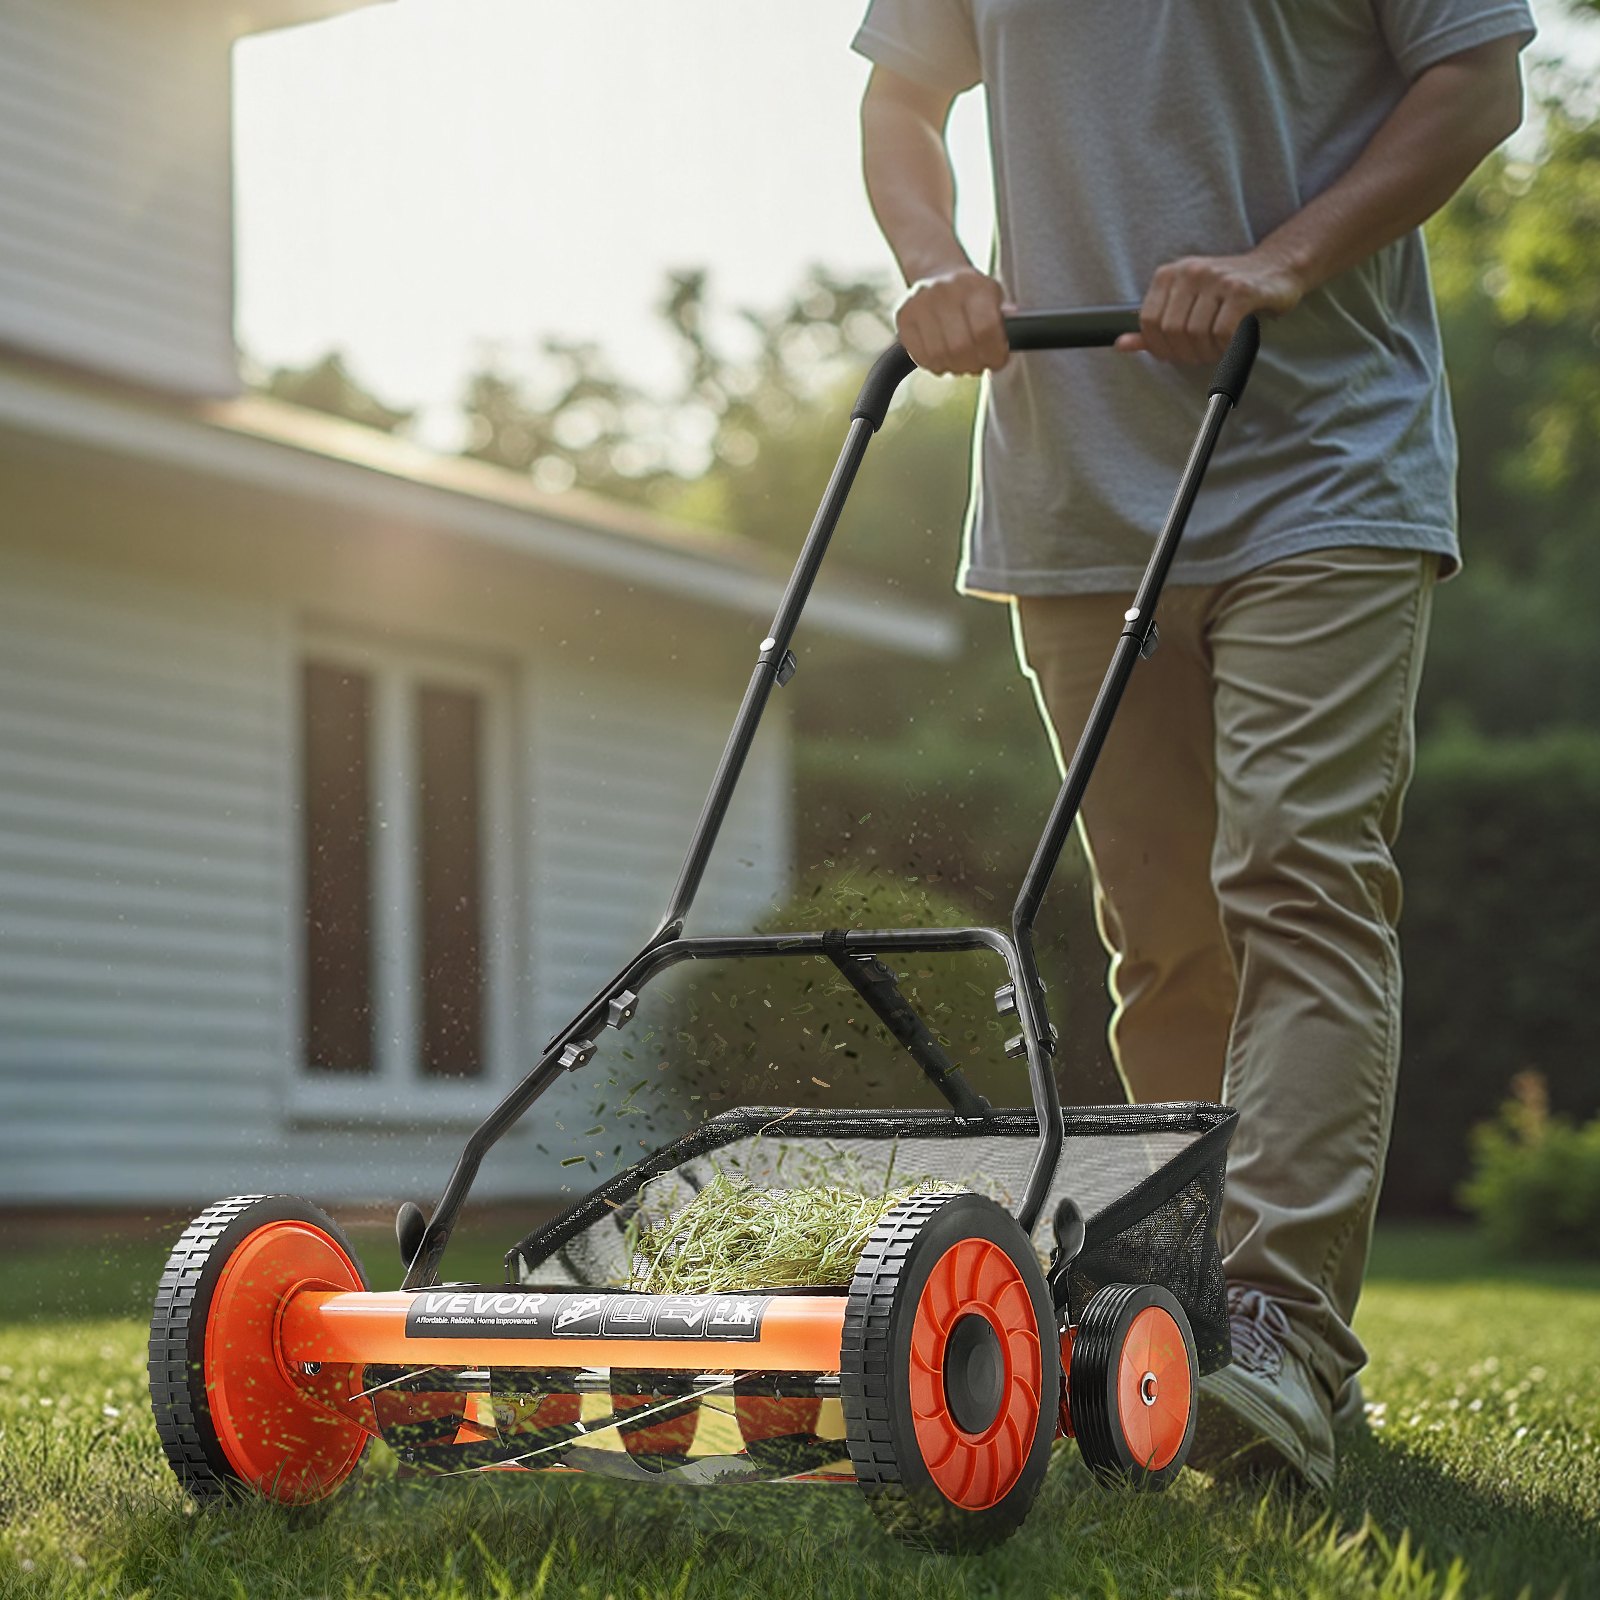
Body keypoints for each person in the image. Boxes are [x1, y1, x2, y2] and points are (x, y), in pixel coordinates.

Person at [852, 0, 1535, 1489]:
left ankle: (1281, 1335)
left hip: (1321, 460)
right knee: (1163, 934)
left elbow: (1478, 78)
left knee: (1298, 874)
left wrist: (1284, 257)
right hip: (1078, 493)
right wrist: (937, 267)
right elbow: (905, 100)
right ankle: (1174, 1319)